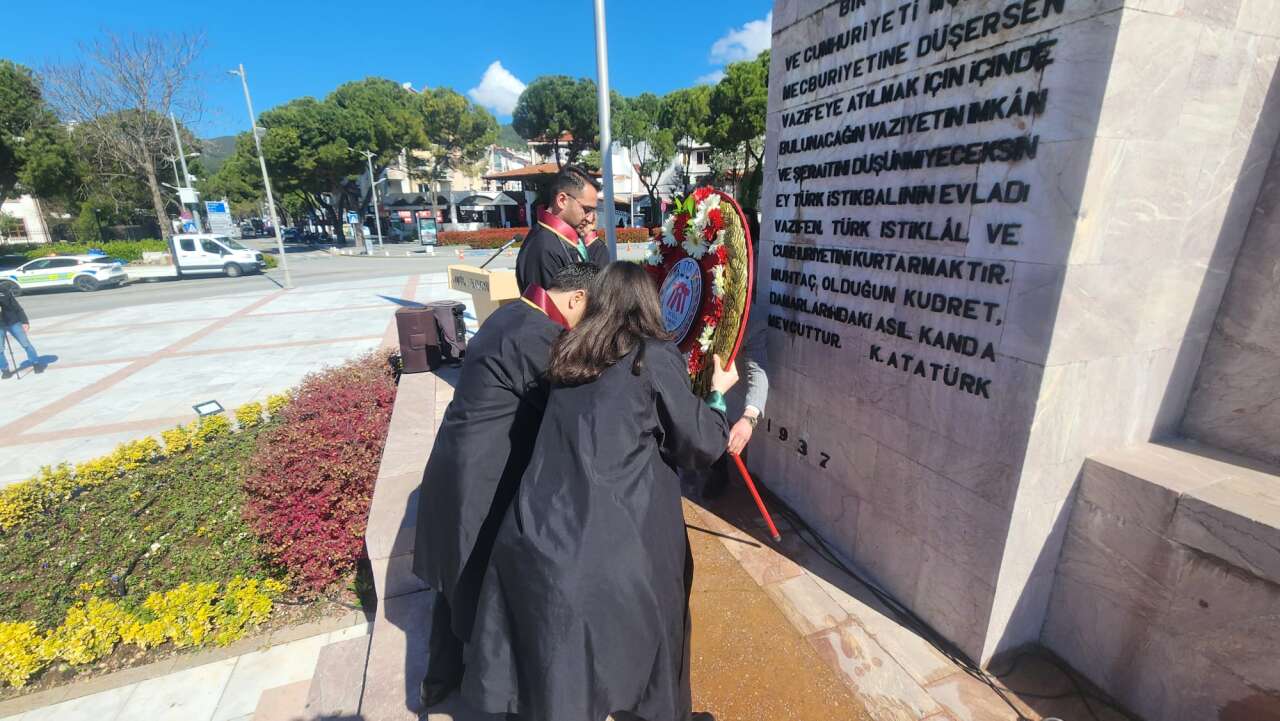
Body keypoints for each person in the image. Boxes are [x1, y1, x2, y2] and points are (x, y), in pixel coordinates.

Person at [462, 262, 738, 721]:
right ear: (649, 305)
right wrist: (717, 395)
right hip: (618, 539)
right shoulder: (650, 356)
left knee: (567, 661)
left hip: (540, 532)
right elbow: (702, 443)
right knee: (652, 636)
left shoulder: (569, 351)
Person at [412, 262, 598, 708]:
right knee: (483, 595)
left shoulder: (511, 312)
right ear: (575, 299)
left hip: (456, 465)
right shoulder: (537, 336)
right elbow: (572, 404)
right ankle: (495, 701)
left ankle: (438, 680)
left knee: (454, 581)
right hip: (482, 479)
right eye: (590, 315)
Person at [515, 165, 611, 292]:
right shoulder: (544, 246)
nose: (589, 218)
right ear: (562, 200)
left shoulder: (558, 238)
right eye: (586, 210)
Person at [0, 284, 42, 378]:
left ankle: (35, 363)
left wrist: (25, 321)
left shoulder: (4, 290)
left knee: (25, 343)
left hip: (13, 322)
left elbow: (17, 307)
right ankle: (5, 370)